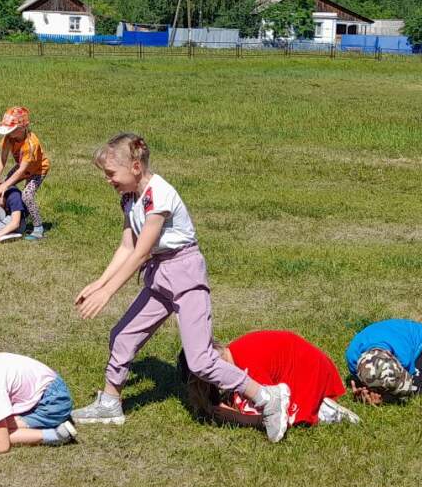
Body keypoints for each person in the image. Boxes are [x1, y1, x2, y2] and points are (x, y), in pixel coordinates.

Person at [69, 132, 292, 441]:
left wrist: (108, 293)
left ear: (135, 167)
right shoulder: (129, 196)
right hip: (159, 275)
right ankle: (109, 403)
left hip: (185, 274)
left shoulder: (158, 194)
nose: (107, 180)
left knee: (200, 360)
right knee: (122, 335)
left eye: (110, 174)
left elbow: (142, 251)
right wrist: (100, 282)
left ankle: (268, 397)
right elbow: (126, 245)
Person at [177, 331, 360, 429]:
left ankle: (320, 409)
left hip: (310, 373)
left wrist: (238, 419)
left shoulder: (248, 361)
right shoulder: (237, 355)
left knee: (260, 407)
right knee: (242, 398)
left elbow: (272, 408)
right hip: (309, 366)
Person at [344, 319, 422, 404]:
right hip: (392, 334)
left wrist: (386, 398)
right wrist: (366, 390)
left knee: (421, 389)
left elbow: (408, 383)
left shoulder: (403, 357)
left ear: (394, 359)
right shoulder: (353, 359)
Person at [0, 106, 50, 239]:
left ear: (22, 128)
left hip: (38, 170)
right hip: (22, 166)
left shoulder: (31, 144)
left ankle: (38, 229)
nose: (8, 133)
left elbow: (22, 170)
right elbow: (2, 158)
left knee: (27, 196)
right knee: (3, 186)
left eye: (12, 130)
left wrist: (5, 185)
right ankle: (12, 215)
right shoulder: (9, 138)